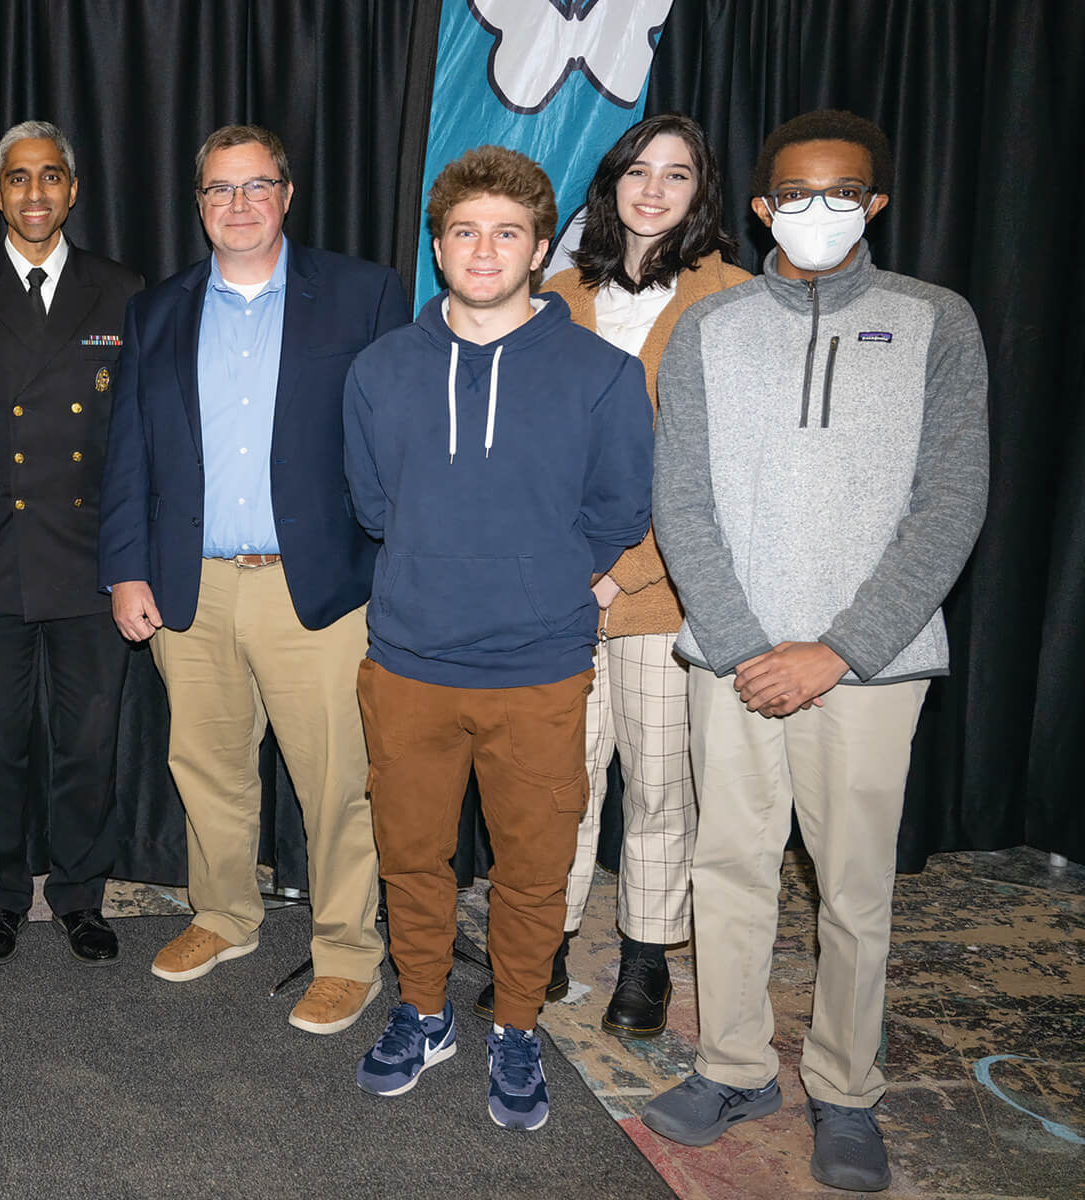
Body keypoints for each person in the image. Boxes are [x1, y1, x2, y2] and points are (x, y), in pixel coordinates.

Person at [641, 110, 988, 1191]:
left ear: (875, 204)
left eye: (843, 193)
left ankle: (847, 1090)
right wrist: (747, 646)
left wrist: (837, 650)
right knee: (729, 870)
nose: (820, 211)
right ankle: (733, 1064)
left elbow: (951, 502)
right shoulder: (713, 328)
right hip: (733, 660)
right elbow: (681, 498)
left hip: (870, 670)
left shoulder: (938, 322)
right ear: (762, 205)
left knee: (854, 889)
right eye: (797, 193)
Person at [342, 145, 653, 1130]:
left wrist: (553, 583)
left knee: (532, 869)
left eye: (507, 233)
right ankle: (423, 1010)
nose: (484, 251)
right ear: (438, 247)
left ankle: (517, 1026)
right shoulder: (380, 368)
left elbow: (621, 508)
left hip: (539, 671)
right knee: (411, 858)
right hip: (408, 666)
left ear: (537, 247)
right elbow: (372, 505)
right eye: (465, 232)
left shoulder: (599, 376)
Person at [97, 124, 404, 1034]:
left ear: (287, 194)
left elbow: (401, 440)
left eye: (256, 186)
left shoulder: (361, 293)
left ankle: (350, 953)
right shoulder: (159, 310)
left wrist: (395, 570)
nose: (239, 205)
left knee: (336, 779)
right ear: (198, 204)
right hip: (190, 585)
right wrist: (124, 570)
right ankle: (225, 915)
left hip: (316, 589)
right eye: (220, 190)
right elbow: (129, 454)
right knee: (206, 767)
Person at [477, 114, 748, 1039]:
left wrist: (619, 573)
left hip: (662, 595)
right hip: (555, 590)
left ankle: (644, 959)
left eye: (677, 174)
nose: (654, 188)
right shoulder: (552, 294)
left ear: (700, 190)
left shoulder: (733, 299)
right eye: (638, 169)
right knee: (557, 781)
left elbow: (716, 471)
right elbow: (520, 446)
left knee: (662, 785)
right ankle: (541, 946)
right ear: (611, 180)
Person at [0, 121, 143, 967]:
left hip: (92, 561)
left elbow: (140, 437)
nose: (35, 194)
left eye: (51, 177)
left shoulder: (123, 290)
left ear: (74, 190)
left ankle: (81, 897)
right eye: (18, 179)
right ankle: (1, 898)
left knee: (88, 746)